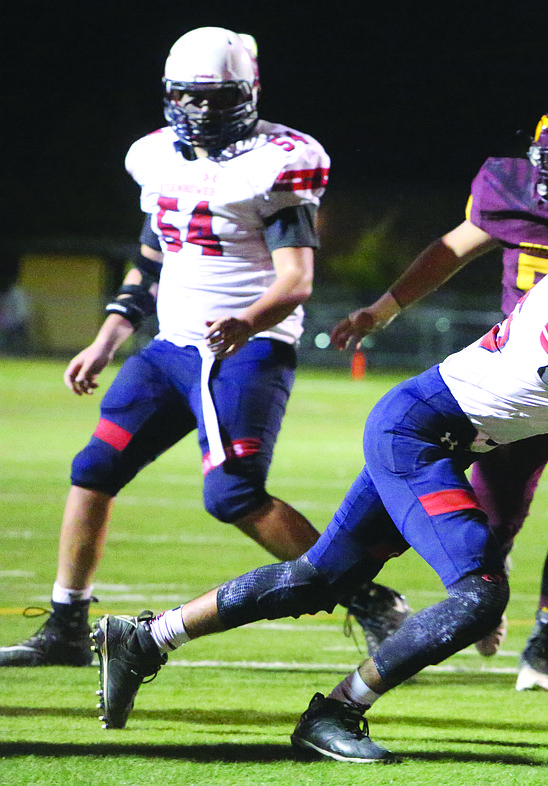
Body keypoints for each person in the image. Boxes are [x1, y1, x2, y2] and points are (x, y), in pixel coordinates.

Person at [88, 191, 548, 760]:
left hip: (431, 427)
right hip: (422, 435)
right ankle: (334, 714)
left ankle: (145, 638)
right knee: (478, 594)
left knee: (320, 577)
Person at [0, 27, 408, 669]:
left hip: (247, 351)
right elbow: (151, 256)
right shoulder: (155, 157)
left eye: (216, 99)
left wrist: (247, 320)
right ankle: (66, 626)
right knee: (93, 469)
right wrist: (108, 337)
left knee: (233, 496)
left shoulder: (277, 161)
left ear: (248, 94)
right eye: (189, 97)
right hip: (170, 350)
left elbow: (296, 279)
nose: (201, 112)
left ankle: (368, 598)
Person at [329, 96, 548, 691]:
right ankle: (485, 595)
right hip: (519, 377)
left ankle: (543, 644)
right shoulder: (510, 193)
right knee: (492, 513)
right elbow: (451, 249)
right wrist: (385, 307)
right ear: (540, 161)